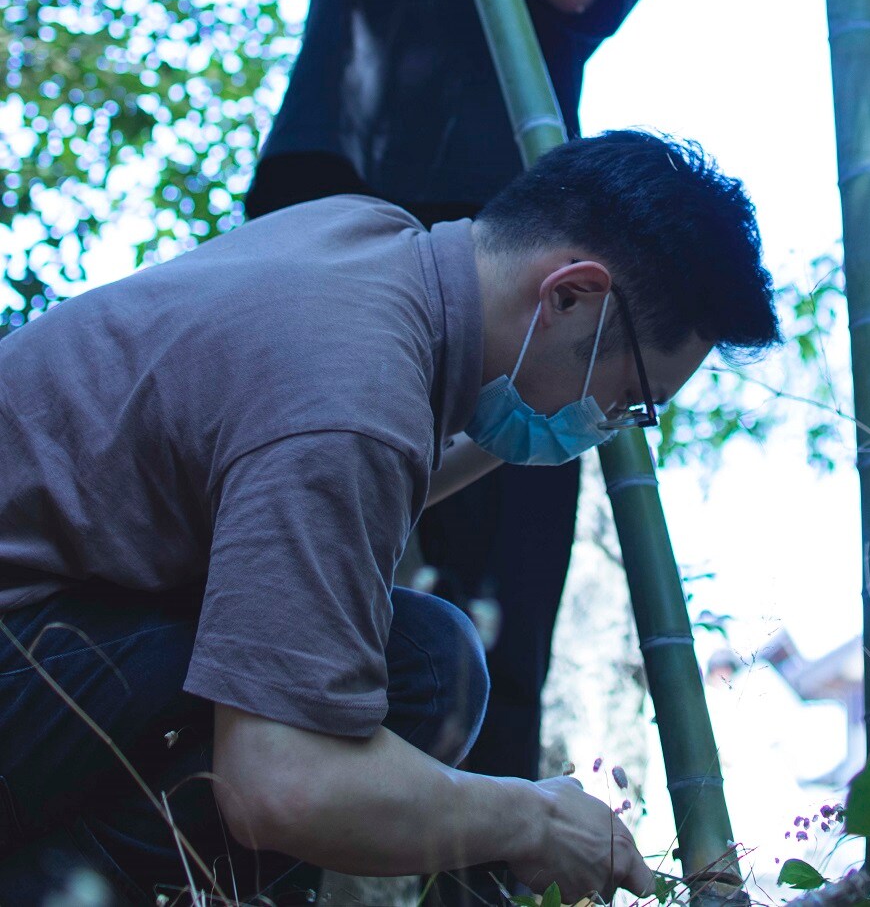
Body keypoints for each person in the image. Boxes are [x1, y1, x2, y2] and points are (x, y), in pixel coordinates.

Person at [195, 0, 661, 901]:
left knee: (493, 616)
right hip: (329, 230)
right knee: (266, 567)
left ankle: (475, 871)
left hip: (515, 289)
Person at [0, 130, 780, 906]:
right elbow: (278, 781)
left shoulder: (364, 241)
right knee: (423, 672)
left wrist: (515, 431)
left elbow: (335, 472)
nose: (610, 422)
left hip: (47, 616)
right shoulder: (353, 399)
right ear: (569, 295)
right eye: (631, 397)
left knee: (414, 656)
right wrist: (533, 820)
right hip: (24, 637)